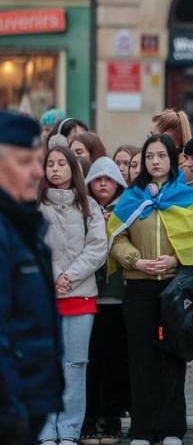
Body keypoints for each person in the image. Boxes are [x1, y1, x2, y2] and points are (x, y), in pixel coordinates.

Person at [109, 134, 193, 445]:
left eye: (161, 155)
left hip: (175, 287)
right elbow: (115, 239)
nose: (154, 161)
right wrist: (137, 261)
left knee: (173, 357)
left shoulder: (189, 197)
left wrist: (175, 258)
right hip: (139, 287)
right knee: (141, 359)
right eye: (149, 156)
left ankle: (172, 428)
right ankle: (143, 429)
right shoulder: (132, 197)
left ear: (173, 159)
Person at [38, 145, 108, 445]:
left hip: (80, 297)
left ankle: (68, 431)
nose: (55, 169)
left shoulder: (89, 206)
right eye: (50, 163)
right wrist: (55, 278)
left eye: (61, 163)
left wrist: (69, 277)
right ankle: (44, 431)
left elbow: (97, 248)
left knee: (75, 365)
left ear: (73, 169)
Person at [0, 112, 63, 445]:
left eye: (38, 160)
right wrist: (12, 412)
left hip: (27, 405)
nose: (38, 172)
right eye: (26, 162)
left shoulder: (21, 223)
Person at [81, 157, 130, 445]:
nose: (102, 184)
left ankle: (112, 416)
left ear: (118, 184)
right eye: (97, 179)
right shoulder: (82, 211)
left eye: (108, 179)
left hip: (118, 298)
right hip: (88, 297)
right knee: (90, 361)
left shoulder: (128, 210)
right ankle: (90, 416)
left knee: (115, 361)